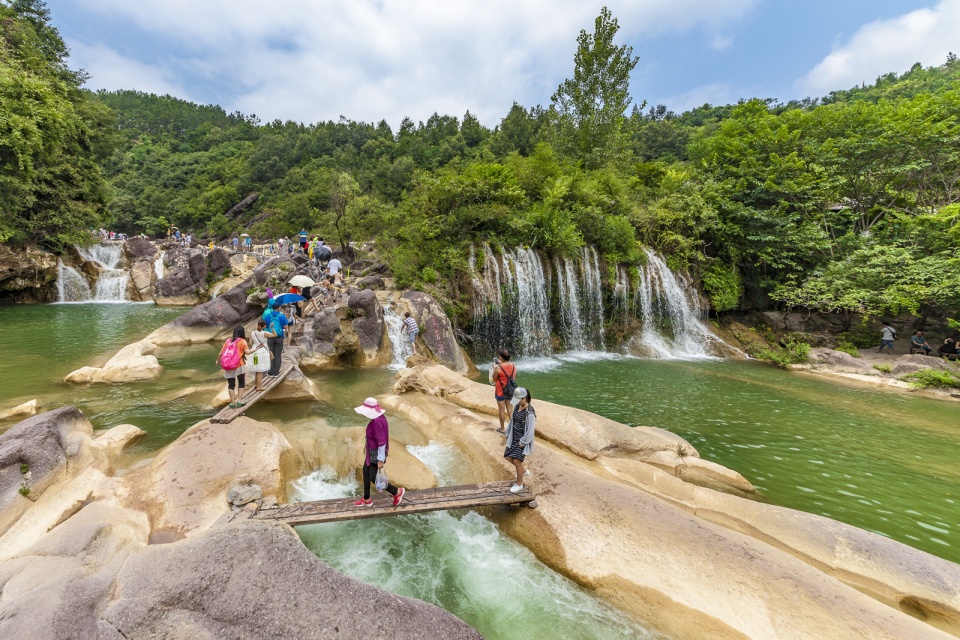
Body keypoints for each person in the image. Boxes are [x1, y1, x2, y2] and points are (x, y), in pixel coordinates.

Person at [353, 398, 405, 507]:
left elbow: (382, 442)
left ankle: (397, 492)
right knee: (365, 472)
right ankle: (367, 499)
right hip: (371, 452)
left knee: (375, 478)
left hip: (376, 454)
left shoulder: (377, 421)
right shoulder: (378, 417)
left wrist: (380, 461)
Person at [503, 387, 535, 494]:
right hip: (513, 437)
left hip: (522, 440)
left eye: (518, 400)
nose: (516, 402)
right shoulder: (518, 406)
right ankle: (523, 471)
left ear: (524, 399)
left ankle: (519, 484)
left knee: (517, 461)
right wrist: (508, 431)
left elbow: (530, 431)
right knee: (507, 457)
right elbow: (512, 421)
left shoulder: (530, 413)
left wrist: (523, 442)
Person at [218, 325, 248, 409]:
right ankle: (239, 400)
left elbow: (221, 353)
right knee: (241, 383)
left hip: (229, 365)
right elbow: (247, 352)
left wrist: (218, 360)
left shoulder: (228, 341)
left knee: (231, 384)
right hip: (239, 365)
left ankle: (232, 403)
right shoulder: (242, 341)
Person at [489, 348, 516, 434]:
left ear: (500, 358)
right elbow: (513, 378)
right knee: (510, 410)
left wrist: (495, 368)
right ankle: (512, 429)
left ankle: (502, 428)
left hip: (500, 392)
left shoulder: (498, 367)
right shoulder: (514, 366)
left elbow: (494, 379)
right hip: (510, 391)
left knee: (501, 410)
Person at [247, 319, 276, 391]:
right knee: (260, 371)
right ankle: (259, 387)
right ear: (264, 326)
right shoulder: (264, 333)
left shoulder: (252, 332)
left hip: (255, 351)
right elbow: (275, 335)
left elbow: (250, 343)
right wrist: (272, 328)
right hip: (262, 352)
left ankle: (256, 385)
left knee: (257, 369)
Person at [264, 301, 289, 377]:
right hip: (279, 337)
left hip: (270, 337)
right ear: (278, 308)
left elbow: (264, 326)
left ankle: (271, 372)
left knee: (271, 354)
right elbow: (285, 327)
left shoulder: (268, 316)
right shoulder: (282, 316)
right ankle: (276, 372)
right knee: (278, 355)